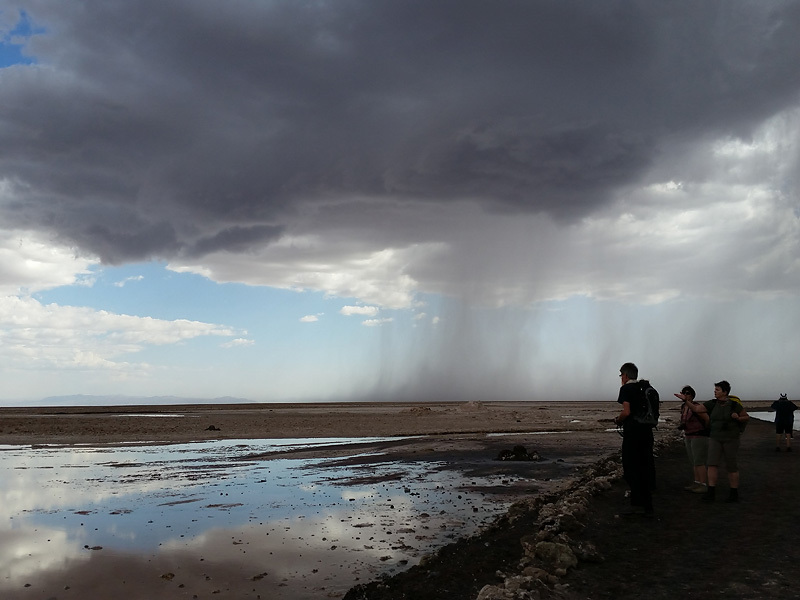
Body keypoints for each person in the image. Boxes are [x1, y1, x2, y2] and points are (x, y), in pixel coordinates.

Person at [695, 380, 749, 503]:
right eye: (715, 389)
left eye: (717, 390)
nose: (715, 391)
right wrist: (686, 401)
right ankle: (711, 491)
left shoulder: (735, 405)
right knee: (712, 464)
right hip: (715, 438)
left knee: (731, 466)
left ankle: (733, 493)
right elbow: (697, 409)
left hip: (731, 439)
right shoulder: (712, 403)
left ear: (725, 392)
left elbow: (746, 417)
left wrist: (738, 418)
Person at [614, 362, 654, 517]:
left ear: (625, 375)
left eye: (621, 375)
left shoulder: (626, 389)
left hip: (633, 434)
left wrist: (618, 420)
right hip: (647, 432)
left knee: (631, 467)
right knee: (644, 466)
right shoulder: (645, 388)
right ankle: (647, 504)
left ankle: (637, 504)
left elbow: (626, 411)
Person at [674, 385, 709, 493]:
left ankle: (703, 484)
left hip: (698, 436)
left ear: (692, 395)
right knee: (694, 461)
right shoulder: (684, 407)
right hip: (688, 435)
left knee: (699, 461)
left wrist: (705, 431)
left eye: (688, 393)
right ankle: (697, 482)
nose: (686, 395)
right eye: (684, 393)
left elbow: (707, 419)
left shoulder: (696, 406)